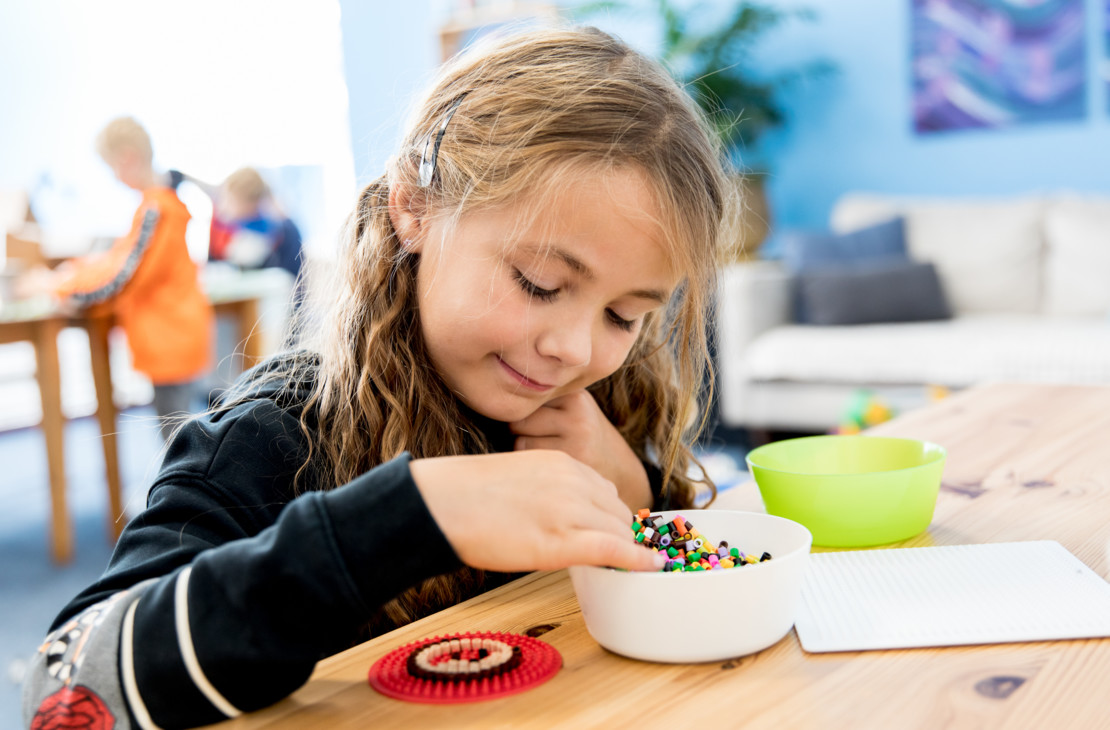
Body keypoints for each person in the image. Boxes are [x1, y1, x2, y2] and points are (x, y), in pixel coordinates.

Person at [23, 26, 728, 729]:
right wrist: (402, 520)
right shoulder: (270, 438)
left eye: (624, 315)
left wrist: (633, 488)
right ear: (414, 208)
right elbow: (64, 693)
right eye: (539, 284)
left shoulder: (594, 404)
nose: (574, 350)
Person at [18, 117, 213, 441]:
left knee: (179, 444)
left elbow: (118, 277)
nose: (113, 176)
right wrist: (65, 277)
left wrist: (58, 289)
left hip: (171, 340)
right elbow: (115, 260)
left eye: (112, 167)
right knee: (181, 437)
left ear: (127, 158)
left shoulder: (157, 210)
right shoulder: (154, 207)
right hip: (169, 339)